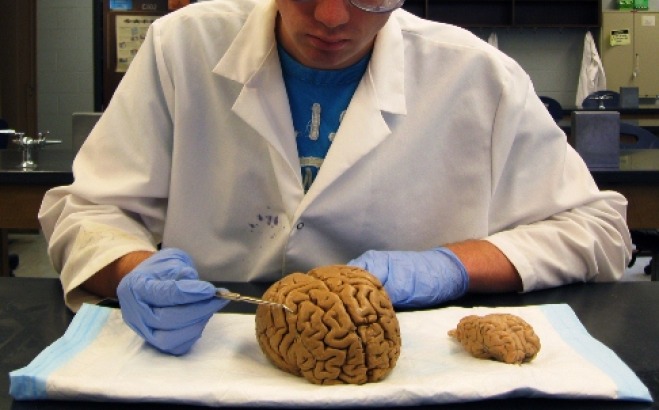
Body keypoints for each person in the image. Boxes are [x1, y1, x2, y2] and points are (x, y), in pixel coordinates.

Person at [39, 0, 631, 355]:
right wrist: (133, 271)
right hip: (207, 347)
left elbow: (599, 229)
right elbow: (88, 209)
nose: (330, 17)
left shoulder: (477, 76)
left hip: (410, 359)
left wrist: (449, 266)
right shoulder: (182, 48)